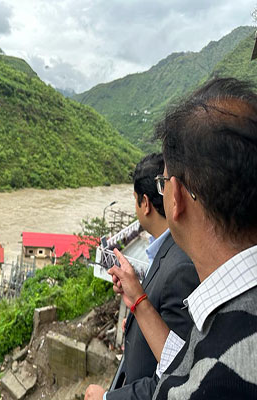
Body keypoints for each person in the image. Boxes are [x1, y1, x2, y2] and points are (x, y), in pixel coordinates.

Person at [109, 77, 257, 399]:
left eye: (164, 182)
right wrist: (138, 300)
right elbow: (185, 359)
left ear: (174, 196)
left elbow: (188, 377)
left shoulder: (212, 384)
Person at [85, 153, 199, 400]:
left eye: (135, 200)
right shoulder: (166, 250)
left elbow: (177, 376)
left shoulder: (181, 268)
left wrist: (105, 398)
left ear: (145, 203)